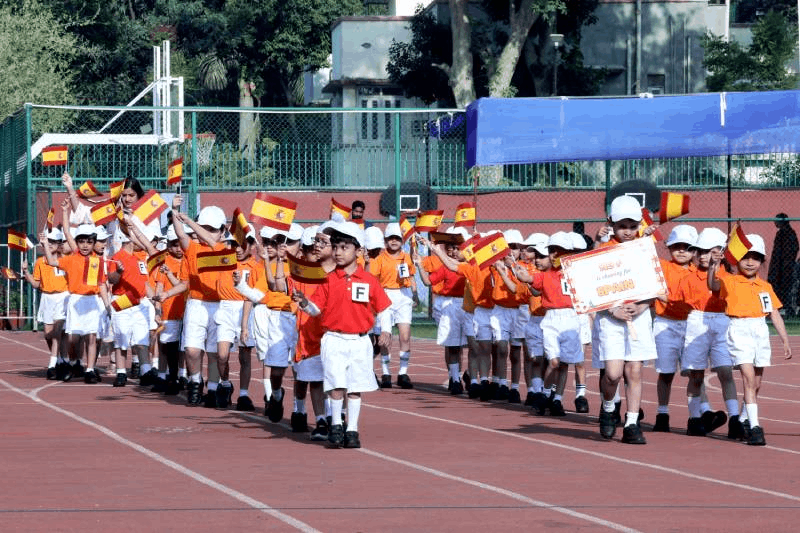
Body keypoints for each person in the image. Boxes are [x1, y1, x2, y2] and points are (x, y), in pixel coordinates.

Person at [294, 221, 392, 448]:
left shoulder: (368, 280)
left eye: (344, 247)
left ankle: (352, 429)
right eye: (336, 247)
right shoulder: (328, 279)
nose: (338, 252)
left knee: (355, 387)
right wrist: (305, 303)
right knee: (336, 385)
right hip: (334, 339)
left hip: (359, 340)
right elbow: (316, 309)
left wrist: (386, 330)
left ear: (358, 251)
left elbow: (384, 307)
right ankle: (336, 425)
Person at [710, 234, 792, 445]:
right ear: (737, 260)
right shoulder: (729, 281)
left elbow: (774, 313)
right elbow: (713, 285)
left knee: (756, 383)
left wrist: (784, 340)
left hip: (760, 331)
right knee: (747, 377)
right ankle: (755, 427)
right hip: (739, 329)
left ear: (762, 261)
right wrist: (714, 265)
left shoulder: (765, 286)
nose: (749, 262)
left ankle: (742, 420)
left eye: (755, 258)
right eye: (745, 257)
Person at [593, 196, 657, 444]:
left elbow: (655, 285)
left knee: (635, 370)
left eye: (632, 226)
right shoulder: (602, 250)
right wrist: (612, 310)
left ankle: (632, 423)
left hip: (638, 317)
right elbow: (591, 288)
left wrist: (641, 306)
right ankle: (609, 407)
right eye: (622, 226)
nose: (628, 231)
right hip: (610, 318)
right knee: (612, 374)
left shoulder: (645, 248)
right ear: (611, 223)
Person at [675, 227, 742, 438]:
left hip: (722, 322)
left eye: (710, 251)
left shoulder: (729, 277)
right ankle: (694, 419)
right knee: (696, 375)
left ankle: (734, 418)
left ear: (720, 253)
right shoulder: (688, 278)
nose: (703, 256)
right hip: (697, 321)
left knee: (725, 371)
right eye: (701, 251)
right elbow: (680, 304)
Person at [41, 219, 107, 384]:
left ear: (94, 244)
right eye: (82, 241)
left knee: (91, 337)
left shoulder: (97, 261)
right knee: (73, 338)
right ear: (77, 243)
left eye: (89, 242)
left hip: (92, 301)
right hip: (75, 300)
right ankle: (72, 363)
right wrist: (45, 244)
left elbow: (101, 284)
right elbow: (52, 262)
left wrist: (107, 305)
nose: (85, 245)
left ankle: (90, 370)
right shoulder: (71, 259)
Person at [651, 225, 697, 433]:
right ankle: (662, 413)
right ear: (669, 248)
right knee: (666, 373)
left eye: (687, 247)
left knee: (695, 373)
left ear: (695, 251)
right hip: (666, 324)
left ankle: (695, 416)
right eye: (676, 246)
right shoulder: (663, 267)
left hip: (691, 324)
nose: (681, 251)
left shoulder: (699, 273)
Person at [369, 223, 418, 389]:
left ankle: (403, 373)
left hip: (403, 296)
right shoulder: (379, 259)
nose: (394, 241)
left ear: (402, 240)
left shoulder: (406, 257)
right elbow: (373, 280)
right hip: (385, 296)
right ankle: (386, 373)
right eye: (391, 238)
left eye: (397, 238)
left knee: (405, 336)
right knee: (385, 337)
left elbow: (411, 277)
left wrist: (415, 293)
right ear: (385, 241)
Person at [22, 228, 68, 380]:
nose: (51, 244)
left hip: (62, 297)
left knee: (58, 332)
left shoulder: (64, 259)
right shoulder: (40, 262)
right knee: (48, 334)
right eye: (49, 241)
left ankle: (52, 365)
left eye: (55, 241)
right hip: (47, 298)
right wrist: (26, 272)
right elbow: (36, 284)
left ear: (60, 244)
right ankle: (61, 360)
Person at [767, 213, 798, 315]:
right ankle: (782, 307)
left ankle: (786, 308)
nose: (774, 222)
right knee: (781, 286)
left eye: (777, 220)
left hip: (783, 266)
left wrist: (786, 262)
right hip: (780, 266)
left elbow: (793, 249)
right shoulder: (784, 233)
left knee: (785, 287)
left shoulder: (787, 233)